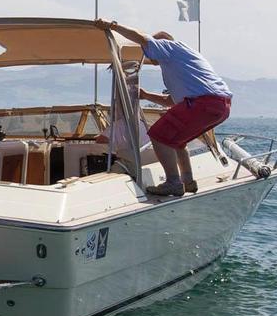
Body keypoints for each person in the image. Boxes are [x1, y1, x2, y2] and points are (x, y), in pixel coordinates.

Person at [95, 20, 232, 196]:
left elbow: (140, 37)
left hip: (203, 103)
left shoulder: (168, 46)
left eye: (149, 51)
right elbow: (172, 101)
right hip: (221, 106)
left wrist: (113, 26)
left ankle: (173, 182)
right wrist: (145, 95)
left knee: (158, 135)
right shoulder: (184, 59)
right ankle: (188, 181)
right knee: (177, 141)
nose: (149, 56)